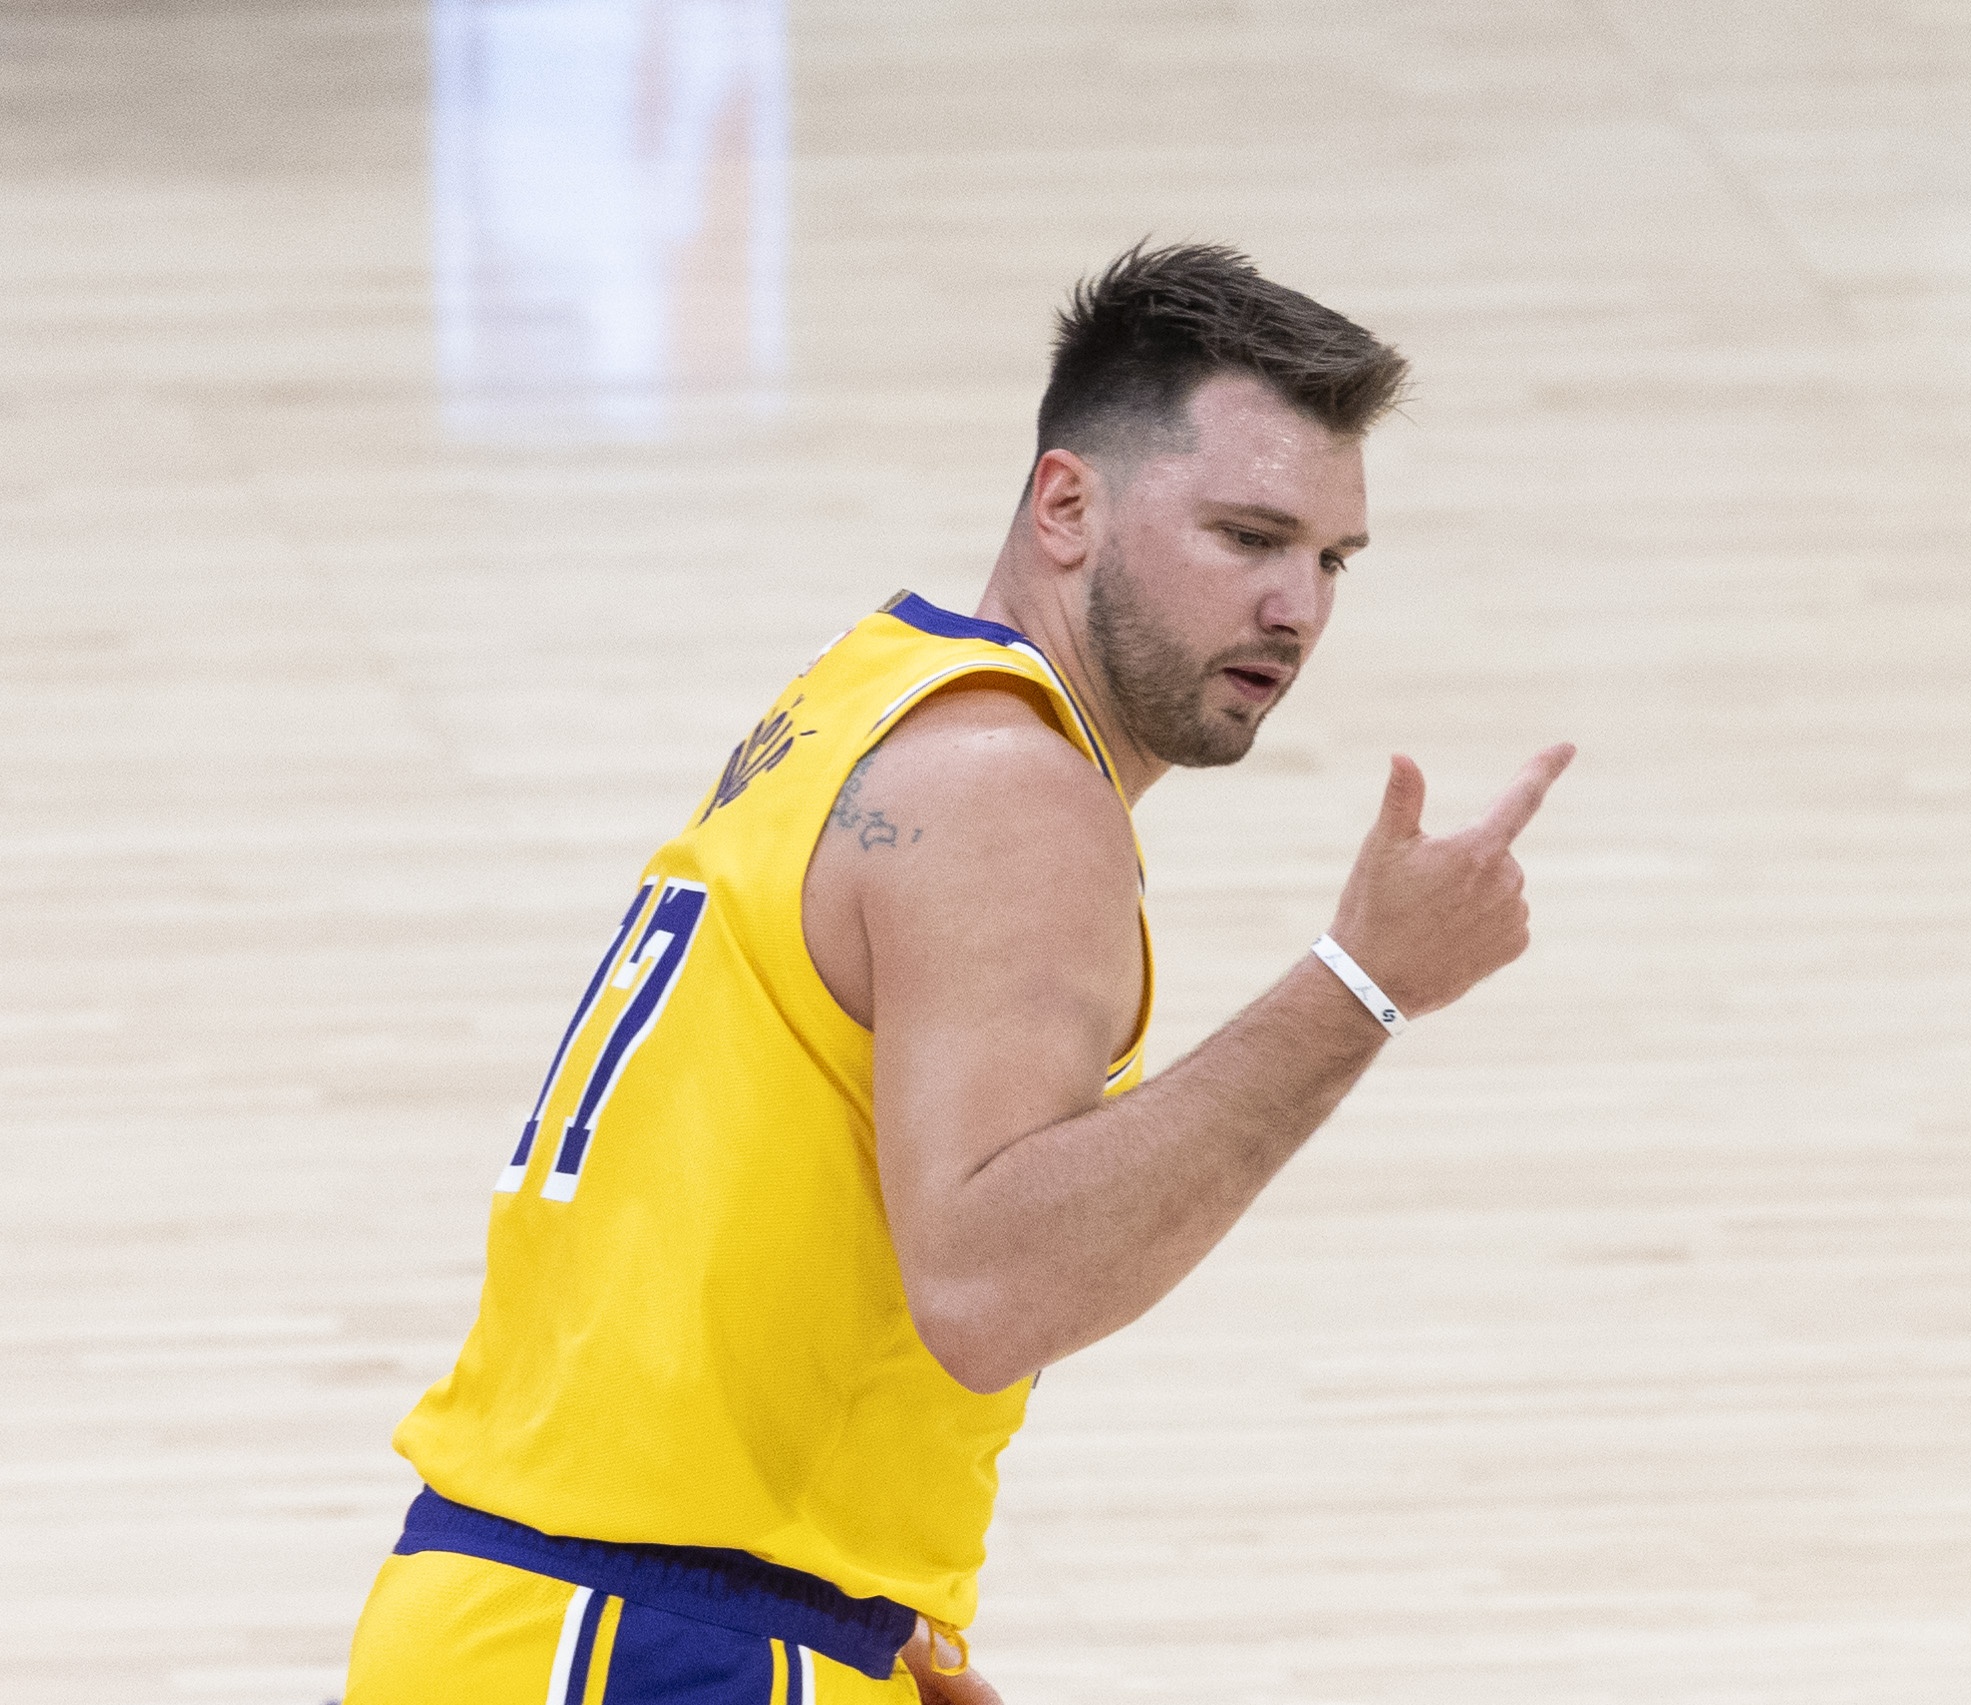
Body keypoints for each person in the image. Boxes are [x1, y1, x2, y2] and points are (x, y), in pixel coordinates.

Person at [341, 242, 1574, 1704]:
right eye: (1248, 536)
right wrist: (1364, 984)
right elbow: (990, 1288)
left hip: (588, 1610)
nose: (1295, 607)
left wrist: (857, 1607)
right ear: (1067, 505)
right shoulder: (1008, 787)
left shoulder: (875, 693)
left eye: (1330, 559)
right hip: (643, 1640)